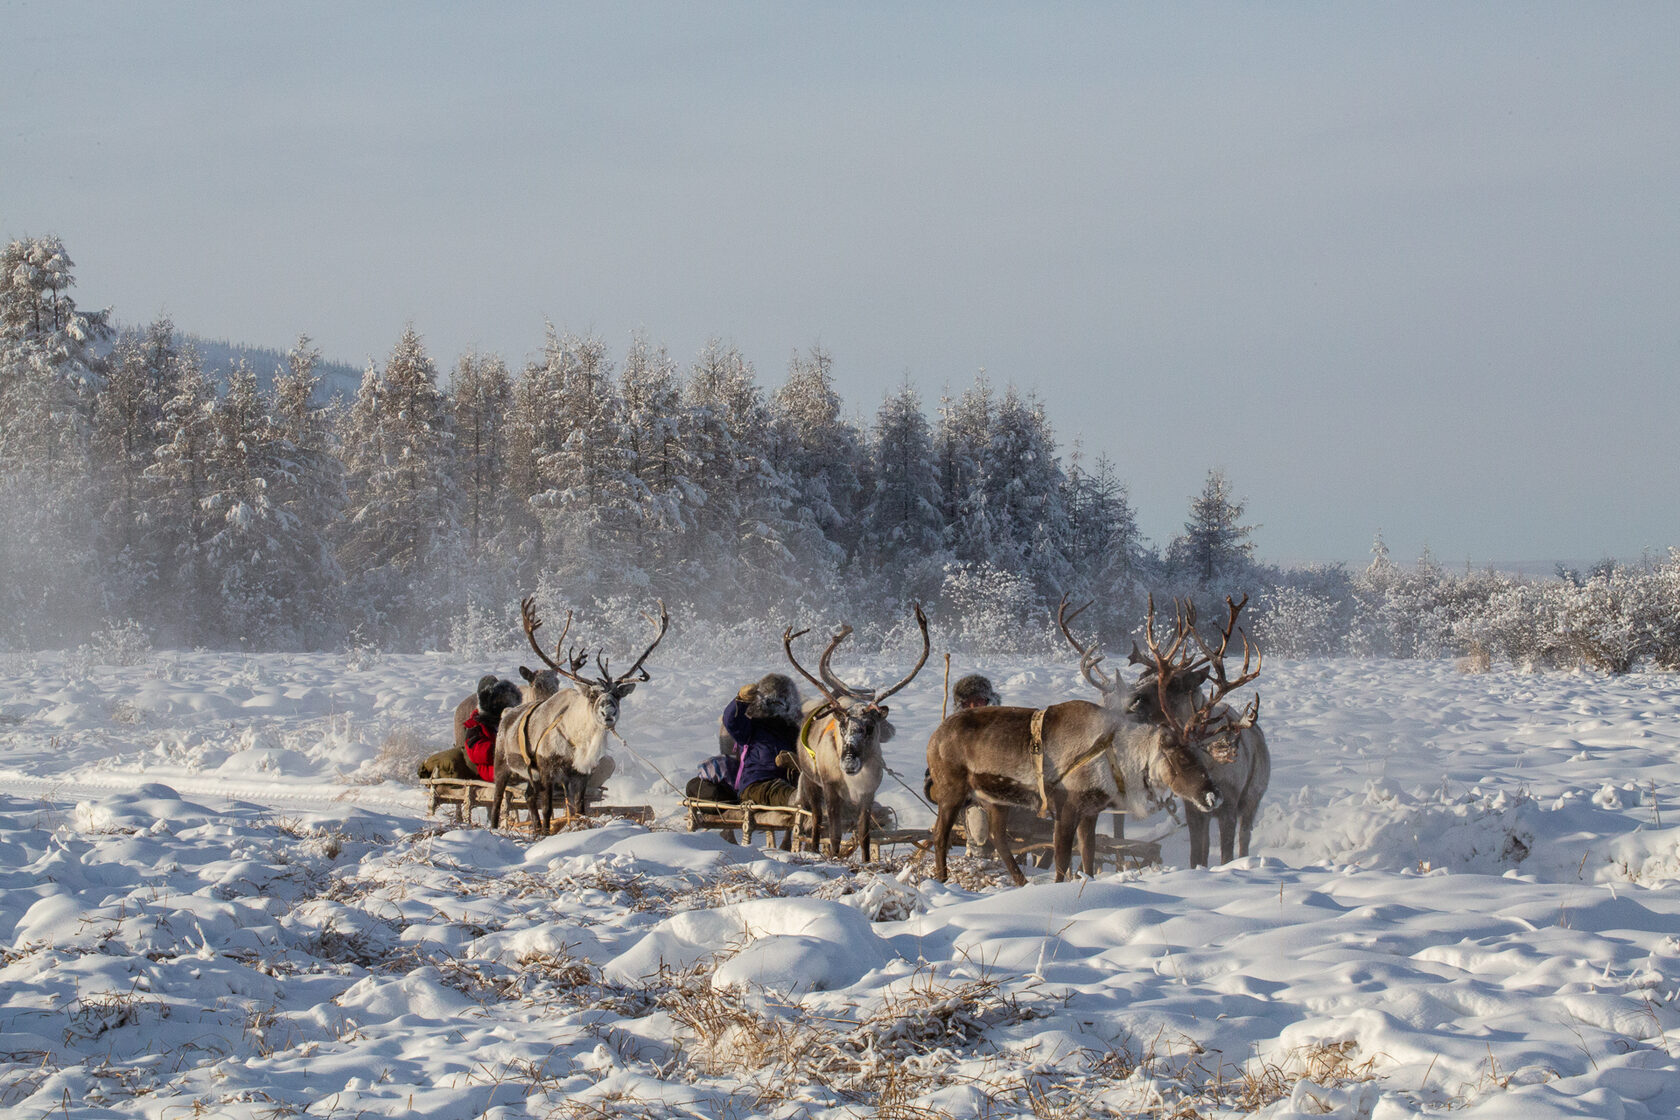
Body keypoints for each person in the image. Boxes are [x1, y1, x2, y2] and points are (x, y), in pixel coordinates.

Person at [419, 675, 523, 781]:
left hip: (507, 762)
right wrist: (500, 750)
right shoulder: (475, 725)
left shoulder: (505, 720)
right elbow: (476, 752)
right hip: (490, 768)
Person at [722, 673, 803, 807]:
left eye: (781, 701)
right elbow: (731, 722)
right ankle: (798, 800)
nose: (776, 706)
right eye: (772, 701)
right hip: (755, 785)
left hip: (785, 784)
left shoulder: (792, 733)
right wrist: (741, 700)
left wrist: (795, 762)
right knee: (781, 792)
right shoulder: (752, 728)